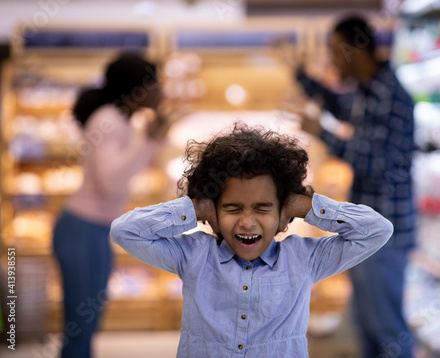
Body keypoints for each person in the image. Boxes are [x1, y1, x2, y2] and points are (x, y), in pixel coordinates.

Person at [110, 124, 394, 357]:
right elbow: (125, 231)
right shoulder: (194, 254)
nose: (247, 222)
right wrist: (195, 209)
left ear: (284, 215)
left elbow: (377, 230)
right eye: (232, 208)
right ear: (214, 210)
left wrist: (305, 206)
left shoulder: (304, 259)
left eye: (262, 208)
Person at [287, 16, 417, 358]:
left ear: (353, 50)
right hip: (371, 228)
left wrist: (322, 132)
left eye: (333, 51)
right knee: (368, 324)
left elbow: (377, 161)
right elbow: (340, 106)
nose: (330, 61)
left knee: (386, 327)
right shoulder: (369, 90)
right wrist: (301, 76)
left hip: (386, 231)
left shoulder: (389, 95)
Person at [52, 53, 172, 358]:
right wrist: (150, 141)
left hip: (91, 229)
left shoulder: (118, 119)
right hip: (83, 229)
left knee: (86, 325)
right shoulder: (109, 120)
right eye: (155, 83)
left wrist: (153, 139)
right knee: (80, 328)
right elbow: (111, 184)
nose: (162, 91)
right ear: (138, 88)